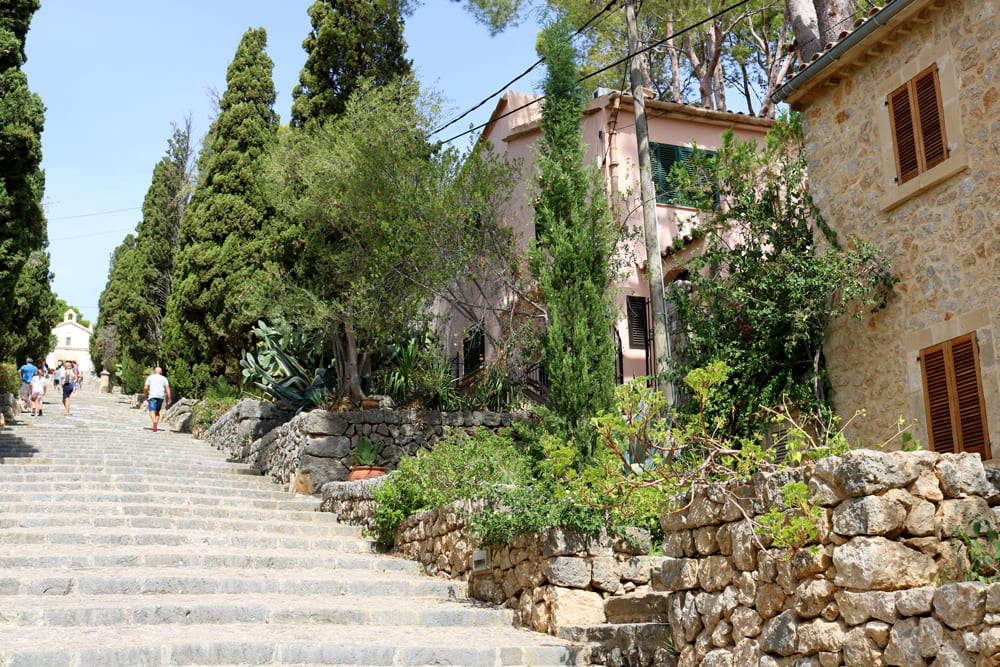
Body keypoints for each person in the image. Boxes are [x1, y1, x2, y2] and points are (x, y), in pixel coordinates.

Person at [143, 367, 171, 432]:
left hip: (152, 396)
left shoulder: (150, 377)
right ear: (161, 372)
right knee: (157, 412)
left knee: (151, 410)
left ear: (154, 371)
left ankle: (154, 421)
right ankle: (156, 423)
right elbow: (167, 388)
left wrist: (146, 395)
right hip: (161, 396)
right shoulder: (164, 378)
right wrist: (169, 398)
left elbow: (145, 388)